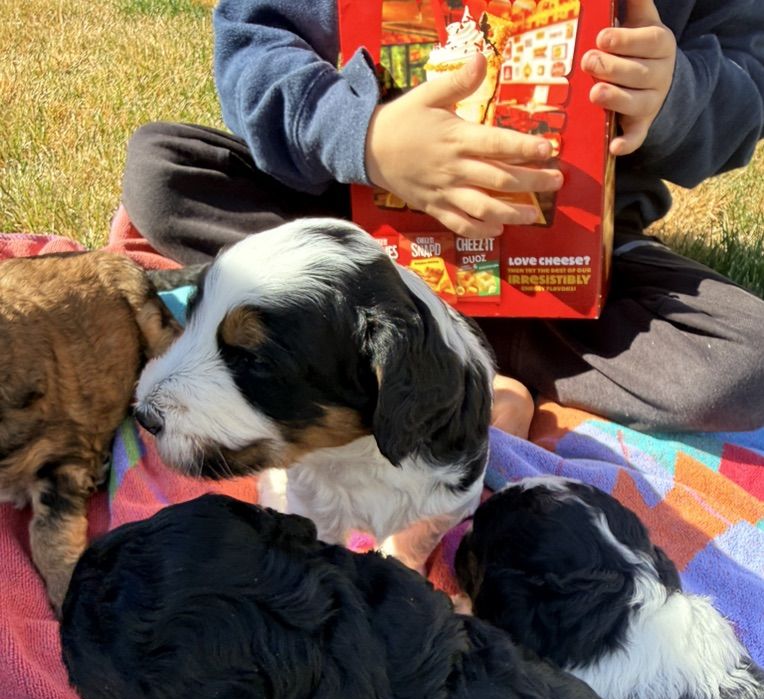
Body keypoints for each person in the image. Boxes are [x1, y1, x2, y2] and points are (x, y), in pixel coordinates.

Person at [122, 0, 764, 436]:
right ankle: (437, 346)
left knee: (745, 361)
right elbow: (254, 46)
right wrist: (364, 137)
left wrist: (674, 90)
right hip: (361, 229)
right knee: (164, 170)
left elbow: (745, 83)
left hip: (568, 266)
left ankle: (447, 355)